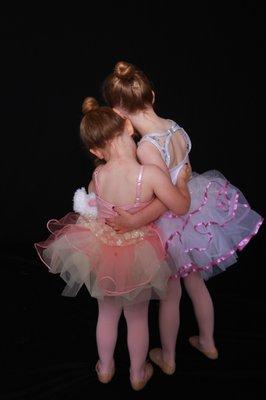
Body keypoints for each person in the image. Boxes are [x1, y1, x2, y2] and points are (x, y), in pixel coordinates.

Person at [103, 61, 264, 373]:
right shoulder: (174, 126)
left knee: (171, 296)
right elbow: (182, 175)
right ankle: (208, 341)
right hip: (197, 208)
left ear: (118, 113)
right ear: (152, 95)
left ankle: (169, 359)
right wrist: (180, 183)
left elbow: (170, 203)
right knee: (197, 285)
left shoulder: (147, 148)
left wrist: (135, 221)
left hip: (173, 223)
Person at [34, 97, 191, 390]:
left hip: (103, 251)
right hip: (139, 254)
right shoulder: (151, 175)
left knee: (106, 314)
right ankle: (137, 373)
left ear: (95, 150)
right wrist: (181, 184)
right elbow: (179, 207)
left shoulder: (97, 175)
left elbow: (94, 206)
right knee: (137, 317)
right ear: (128, 126)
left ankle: (105, 368)